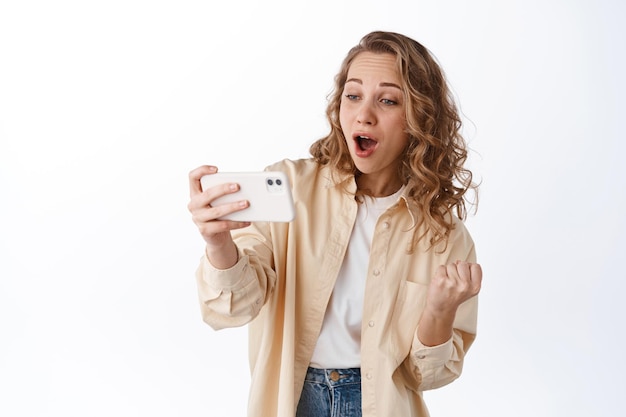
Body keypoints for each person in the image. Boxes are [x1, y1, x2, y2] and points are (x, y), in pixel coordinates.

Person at [188, 31, 482, 417]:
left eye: (388, 100)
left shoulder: (443, 236)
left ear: (419, 117)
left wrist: (440, 311)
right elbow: (233, 309)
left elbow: (428, 375)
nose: (364, 114)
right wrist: (219, 243)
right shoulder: (290, 189)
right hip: (293, 398)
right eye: (353, 95)